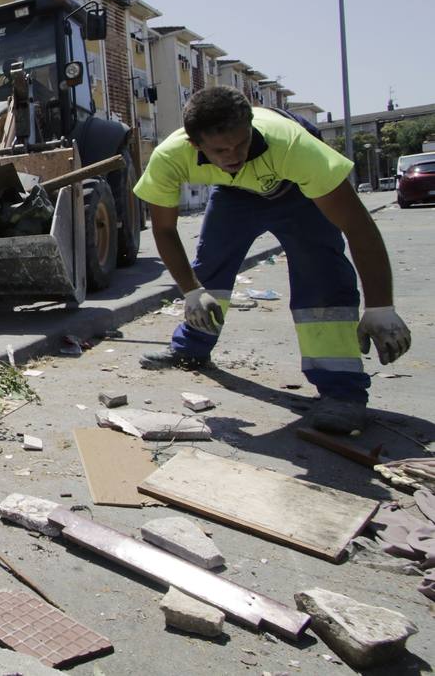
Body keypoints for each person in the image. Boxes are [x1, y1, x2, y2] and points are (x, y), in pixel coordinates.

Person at [134, 86, 411, 434]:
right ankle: (191, 348)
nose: (234, 155)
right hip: (234, 194)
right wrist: (190, 290)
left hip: (296, 191)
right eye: (220, 150)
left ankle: (342, 393)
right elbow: (163, 229)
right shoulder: (170, 156)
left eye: (241, 143)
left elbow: (358, 227)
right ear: (195, 145)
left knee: (321, 278)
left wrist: (380, 307)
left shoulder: (294, 147)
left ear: (251, 125)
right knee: (210, 270)